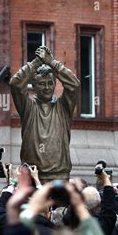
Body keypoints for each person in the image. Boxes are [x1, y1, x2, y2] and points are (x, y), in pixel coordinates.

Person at [10, 46, 80, 182]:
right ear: (34, 86)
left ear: (55, 84)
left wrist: (52, 62)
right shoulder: (28, 107)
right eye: (42, 84)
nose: (47, 88)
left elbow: (74, 84)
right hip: (32, 176)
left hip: (59, 176)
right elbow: (15, 84)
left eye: (50, 83)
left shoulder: (64, 107)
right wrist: (37, 62)